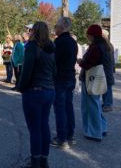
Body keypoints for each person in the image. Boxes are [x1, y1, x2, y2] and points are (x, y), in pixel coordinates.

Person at [18, 22, 56, 168]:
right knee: (44, 125)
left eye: (31, 30)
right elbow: (55, 72)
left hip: (34, 91)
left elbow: (26, 72)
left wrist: (21, 88)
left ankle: (35, 161)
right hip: (49, 91)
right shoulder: (52, 49)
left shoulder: (32, 47)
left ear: (34, 31)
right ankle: (43, 160)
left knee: (34, 128)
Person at [77, 24, 114, 142]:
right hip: (99, 79)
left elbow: (89, 64)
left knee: (90, 106)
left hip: (91, 79)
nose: (87, 36)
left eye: (88, 34)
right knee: (96, 104)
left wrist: (80, 61)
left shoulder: (96, 47)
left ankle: (94, 132)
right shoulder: (104, 45)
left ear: (92, 35)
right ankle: (102, 128)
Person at [51, 17, 78, 150]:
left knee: (60, 109)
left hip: (60, 79)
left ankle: (62, 139)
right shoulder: (73, 42)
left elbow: (53, 61)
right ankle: (70, 135)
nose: (55, 28)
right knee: (68, 107)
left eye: (56, 25)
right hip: (70, 78)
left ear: (62, 27)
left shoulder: (59, 42)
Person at [102, 29, 115, 112]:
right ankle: (106, 103)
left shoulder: (106, 45)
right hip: (108, 68)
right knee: (105, 86)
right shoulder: (109, 44)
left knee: (107, 87)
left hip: (106, 68)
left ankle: (108, 104)